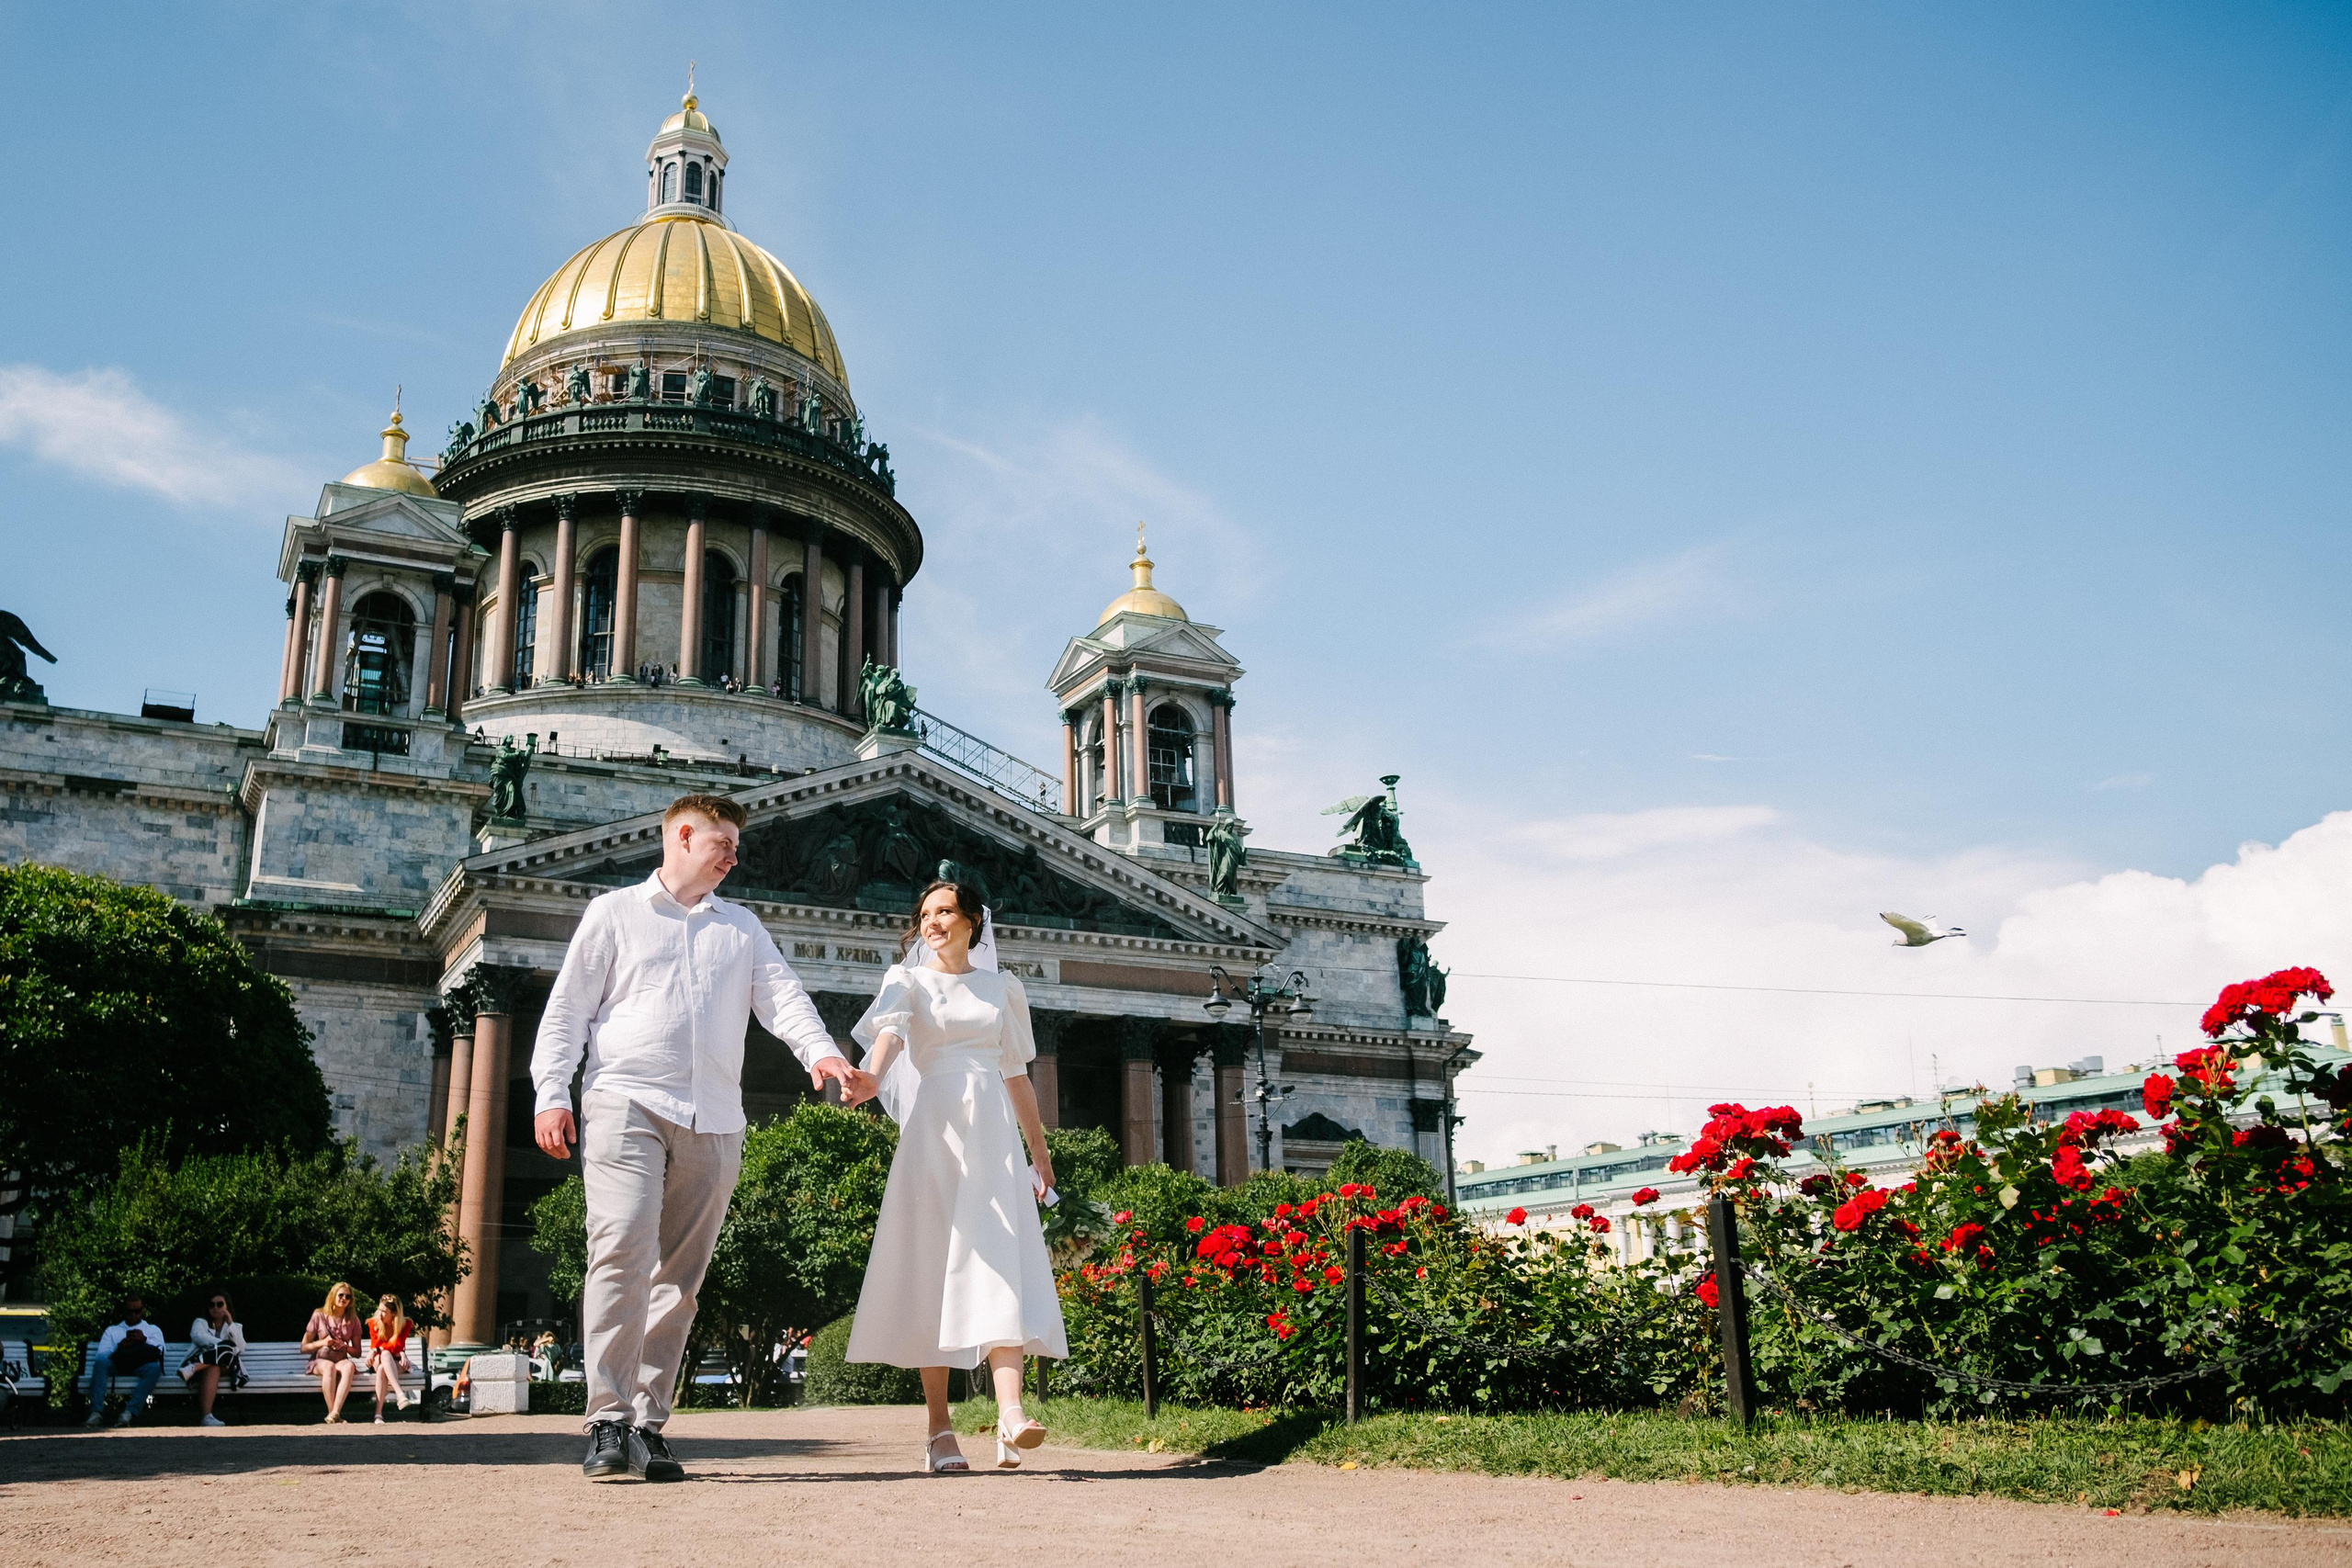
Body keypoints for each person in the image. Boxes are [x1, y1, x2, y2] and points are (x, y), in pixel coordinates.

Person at [532, 792, 874, 1484]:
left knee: (679, 1284)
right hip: (625, 1098)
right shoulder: (614, 915)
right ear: (682, 836)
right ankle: (605, 1416)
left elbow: (782, 997)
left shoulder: (740, 927)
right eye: (722, 844)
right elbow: (566, 1012)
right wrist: (550, 1091)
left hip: (715, 1117)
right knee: (620, 1252)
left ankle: (648, 1424)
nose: (733, 857)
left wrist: (822, 1054)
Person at [848, 876, 1067, 1473]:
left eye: (945, 910)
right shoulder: (907, 980)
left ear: (973, 918)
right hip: (933, 1136)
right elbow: (889, 1037)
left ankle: (1012, 1413)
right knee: (933, 1272)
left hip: (992, 1136)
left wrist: (1039, 1154)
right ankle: (939, 1428)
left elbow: (1017, 1074)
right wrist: (869, 1077)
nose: (933, 921)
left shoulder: (1004, 988)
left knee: (1000, 1258)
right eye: (925, 913)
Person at [84, 1294, 167, 1428]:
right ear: (124, 1311)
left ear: (143, 1311)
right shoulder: (113, 1330)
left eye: (137, 1311)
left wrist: (144, 1340)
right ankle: (96, 1412)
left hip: (140, 1365)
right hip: (118, 1365)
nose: (133, 1315)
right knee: (101, 1363)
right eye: (130, 1311)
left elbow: (161, 1352)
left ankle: (129, 1413)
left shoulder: (152, 1330)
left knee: (154, 1369)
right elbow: (102, 1355)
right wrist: (119, 1346)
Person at [180, 1290, 247, 1427]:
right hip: (208, 1366)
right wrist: (223, 1345)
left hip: (227, 1366)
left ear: (227, 1306)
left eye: (220, 1304)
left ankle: (193, 1368)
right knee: (215, 1364)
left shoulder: (236, 1326)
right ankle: (207, 1417)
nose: (215, 1308)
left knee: (226, 1352)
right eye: (212, 1305)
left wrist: (230, 1324)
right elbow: (198, 1337)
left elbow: (240, 1347)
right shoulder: (200, 1322)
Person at [301, 1281, 366, 1422]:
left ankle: (334, 1412)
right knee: (329, 1367)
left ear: (351, 1301)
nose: (344, 1299)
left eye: (348, 1297)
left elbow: (357, 1352)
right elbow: (304, 1347)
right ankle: (334, 1414)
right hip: (320, 1361)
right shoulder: (319, 1315)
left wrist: (345, 1347)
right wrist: (323, 1342)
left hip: (341, 1360)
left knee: (349, 1366)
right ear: (333, 1296)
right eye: (341, 1295)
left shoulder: (353, 1320)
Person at [365, 1294, 415, 1421]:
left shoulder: (405, 1324)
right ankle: (400, 1394)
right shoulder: (373, 1322)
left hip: (395, 1363)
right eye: (379, 1310)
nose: (380, 1314)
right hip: (378, 1359)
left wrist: (400, 1353)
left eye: (384, 1312)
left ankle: (378, 1414)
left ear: (393, 1313)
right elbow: (376, 1344)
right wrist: (380, 1350)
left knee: (383, 1368)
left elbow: (397, 1345)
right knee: (385, 1355)